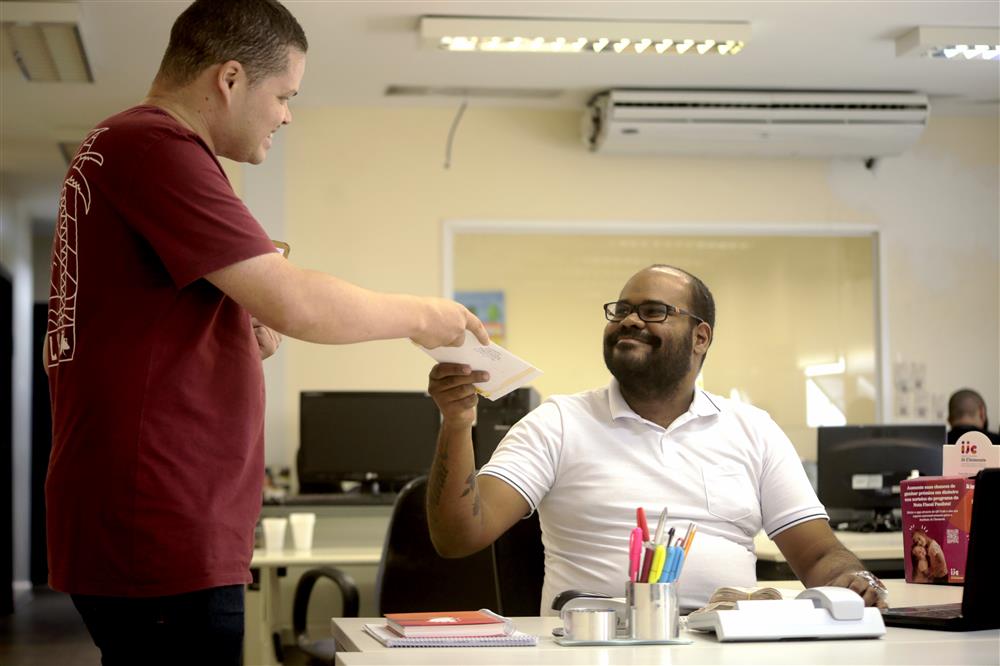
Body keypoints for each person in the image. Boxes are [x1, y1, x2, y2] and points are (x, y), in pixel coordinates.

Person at [43, 1, 487, 663]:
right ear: (229, 79)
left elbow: (198, 311)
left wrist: (237, 322)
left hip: (145, 512)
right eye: (283, 95)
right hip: (158, 516)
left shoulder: (128, 149)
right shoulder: (154, 145)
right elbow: (296, 303)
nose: (286, 114)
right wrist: (427, 316)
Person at [425, 265, 888, 614]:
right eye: (621, 310)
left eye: (653, 311)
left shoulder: (754, 429)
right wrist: (457, 421)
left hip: (729, 646)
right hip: (597, 650)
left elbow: (820, 554)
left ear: (700, 336)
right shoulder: (558, 422)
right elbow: (459, 535)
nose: (629, 320)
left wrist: (854, 581)